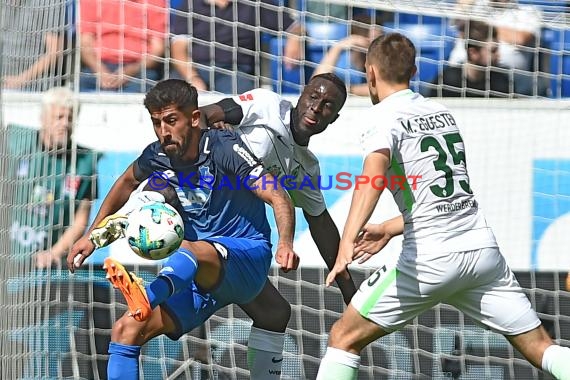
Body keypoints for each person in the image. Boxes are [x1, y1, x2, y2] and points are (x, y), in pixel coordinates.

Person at [316, 33, 570, 380]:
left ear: (369, 73)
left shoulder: (382, 117)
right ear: (415, 70)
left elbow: (373, 177)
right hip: (482, 253)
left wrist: (345, 243)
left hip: (430, 259)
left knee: (343, 338)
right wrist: (389, 228)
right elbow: (442, 197)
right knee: (542, 347)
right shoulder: (441, 112)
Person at [67, 79, 299, 379]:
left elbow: (277, 194)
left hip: (246, 255)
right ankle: (144, 303)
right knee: (125, 330)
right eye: (156, 122)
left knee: (188, 248)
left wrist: (285, 242)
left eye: (171, 120)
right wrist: (91, 236)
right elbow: (126, 183)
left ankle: (146, 296)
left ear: (193, 118)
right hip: (198, 274)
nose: (164, 130)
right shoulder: (157, 157)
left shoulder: (223, 148)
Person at [199, 72, 358, 305]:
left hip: (232, 230)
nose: (315, 108)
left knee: (275, 314)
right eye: (312, 97)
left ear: (334, 118)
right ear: (301, 96)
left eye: (327, 105)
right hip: (200, 208)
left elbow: (320, 222)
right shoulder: (267, 105)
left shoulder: (306, 167)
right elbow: (202, 114)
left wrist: (349, 294)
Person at [8, 87, 99, 269]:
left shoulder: (85, 161)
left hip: (45, 263)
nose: (65, 123)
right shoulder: (14, 142)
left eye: (70, 118)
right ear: (43, 118)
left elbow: (81, 219)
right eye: (59, 117)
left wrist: (54, 253)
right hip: (8, 251)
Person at [169, 0, 302, 94]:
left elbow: (295, 26)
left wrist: (295, 39)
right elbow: (178, 48)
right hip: (196, 69)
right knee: (172, 95)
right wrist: (193, 78)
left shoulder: (254, 4)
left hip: (236, 72)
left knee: (240, 102)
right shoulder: (191, 4)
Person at [78, 0, 167, 92]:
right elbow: (85, 42)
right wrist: (101, 71)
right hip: (97, 66)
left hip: (140, 69)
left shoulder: (156, 2)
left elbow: (157, 48)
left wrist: (132, 69)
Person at [427, 20, 511, 98]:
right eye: (493, 51)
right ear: (473, 53)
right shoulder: (447, 81)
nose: (499, 55)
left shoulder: (501, 81)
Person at [2, 0, 70, 91]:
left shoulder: (48, 3)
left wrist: (21, 79)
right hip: (5, 82)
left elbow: (55, 50)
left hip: (36, 87)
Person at [312, 15, 383, 96]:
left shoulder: (380, 63)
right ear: (359, 40)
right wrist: (337, 47)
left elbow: (381, 89)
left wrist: (348, 89)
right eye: (374, 40)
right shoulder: (339, 64)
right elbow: (317, 84)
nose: (380, 45)